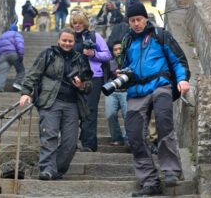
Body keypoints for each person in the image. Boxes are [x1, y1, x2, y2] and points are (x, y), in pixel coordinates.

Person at [118, 2, 190, 197]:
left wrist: (182, 79)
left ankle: (172, 171)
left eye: (139, 19)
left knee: (164, 123)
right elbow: (124, 65)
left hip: (161, 85)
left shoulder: (160, 35)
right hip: (136, 90)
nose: (136, 24)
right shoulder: (127, 41)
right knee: (134, 135)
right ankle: (149, 181)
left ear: (145, 19)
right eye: (132, 21)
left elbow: (178, 59)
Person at [19, 28, 93, 180]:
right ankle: (47, 169)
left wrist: (82, 85)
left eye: (70, 41)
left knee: (70, 143)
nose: (67, 43)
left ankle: (56, 170)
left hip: (72, 104)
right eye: (64, 40)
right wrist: (26, 92)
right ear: (58, 40)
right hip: (50, 102)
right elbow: (33, 74)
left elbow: (89, 84)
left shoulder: (80, 59)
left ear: (74, 42)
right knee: (49, 136)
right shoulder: (48, 54)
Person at [70, 11, 112, 152]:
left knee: (90, 110)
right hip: (75, 77)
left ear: (85, 23)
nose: (77, 25)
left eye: (80, 22)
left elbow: (107, 55)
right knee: (73, 110)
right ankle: (71, 143)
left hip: (94, 77)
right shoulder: (70, 38)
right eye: (75, 23)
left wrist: (94, 54)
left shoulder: (95, 36)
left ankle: (89, 145)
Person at [105, 41, 129, 147]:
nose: (118, 51)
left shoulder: (129, 61)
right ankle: (117, 138)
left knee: (128, 115)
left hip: (126, 91)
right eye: (115, 50)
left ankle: (129, 140)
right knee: (110, 114)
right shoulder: (110, 63)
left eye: (120, 49)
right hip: (112, 91)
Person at [0, 24, 25, 93]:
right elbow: (19, 43)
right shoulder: (16, 34)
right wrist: (21, 54)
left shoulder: (1, 36)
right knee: (21, 70)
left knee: (2, 73)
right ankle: (17, 83)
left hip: (3, 56)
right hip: (13, 54)